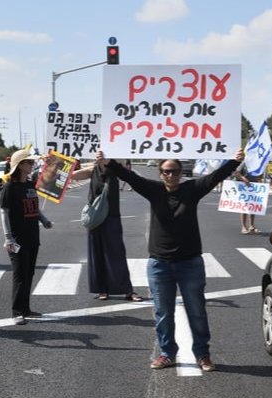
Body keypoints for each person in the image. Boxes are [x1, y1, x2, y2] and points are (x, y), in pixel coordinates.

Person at [96, 148, 246, 372]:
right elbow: (130, 177)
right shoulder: (154, 190)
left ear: (181, 173)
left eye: (175, 171)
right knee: (163, 313)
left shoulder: (192, 190)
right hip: (159, 264)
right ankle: (167, 353)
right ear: (160, 174)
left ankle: (202, 354)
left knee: (197, 311)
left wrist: (234, 162)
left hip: (190, 263)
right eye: (166, 171)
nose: (170, 175)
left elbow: (215, 177)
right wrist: (108, 162)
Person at [0, 149, 54, 325]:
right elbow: (4, 213)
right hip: (17, 238)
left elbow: (34, 207)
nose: (32, 165)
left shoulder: (30, 185)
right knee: (20, 275)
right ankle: (16, 311)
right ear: (20, 165)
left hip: (32, 236)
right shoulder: (9, 187)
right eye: (29, 162)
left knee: (29, 273)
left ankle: (26, 309)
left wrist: (44, 220)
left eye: (32, 162)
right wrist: (8, 237)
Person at [87, 159, 143, 302]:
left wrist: (107, 161)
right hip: (95, 218)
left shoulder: (115, 169)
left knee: (117, 254)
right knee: (97, 254)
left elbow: (127, 172)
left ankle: (127, 290)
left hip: (112, 217)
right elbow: (70, 175)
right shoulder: (92, 170)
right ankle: (102, 289)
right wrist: (54, 165)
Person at [232, 162, 261, 234]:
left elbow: (258, 175)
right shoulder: (244, 163)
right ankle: (244, 226)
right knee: (244, 208)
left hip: (253, 187)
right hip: (244, 188)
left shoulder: (256, 163)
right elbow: (236, 172)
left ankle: (252, 226)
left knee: (253, 207)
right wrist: (243, 179)